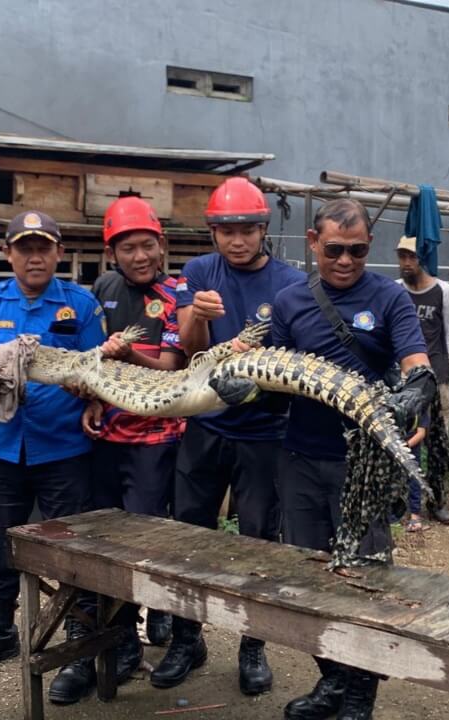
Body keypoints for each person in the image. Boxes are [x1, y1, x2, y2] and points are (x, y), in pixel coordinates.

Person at [272, 198, 433, 720]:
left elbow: (416, 362)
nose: (346, 260)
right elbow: (273, 378)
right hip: (299, 456)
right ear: (314, 244)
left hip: (359, 464)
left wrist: (416, 390)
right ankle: (333, 681)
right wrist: (239, 387)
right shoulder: (291, 300)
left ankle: (361, 695)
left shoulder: (389, 297)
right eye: (335, 249)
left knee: (364, 578)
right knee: (308, 576)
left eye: (358, 250)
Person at [159, 177, 304, 694]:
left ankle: (253, 645)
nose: (237, 240)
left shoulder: (290, 283)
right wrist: (198, 315)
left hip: (265, 431)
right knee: (189, 536)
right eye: (226, 230)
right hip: (206, 425)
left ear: (264, 229)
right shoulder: (199, 272)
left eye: (247, 229)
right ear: (212, 233)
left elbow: (292, 356)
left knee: (259, 542)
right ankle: (185, 639)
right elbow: (189, 348)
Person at [0, 210, 106, 678]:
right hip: (2, 448)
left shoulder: (81, 305)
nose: (34, 257)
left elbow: (97, 371)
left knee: (73, 551)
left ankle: (78, 645)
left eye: (43, 247)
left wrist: (90, 395)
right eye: (24, 247)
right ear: (8, 253)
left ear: (59, 252)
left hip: (64, 448)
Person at [48, 196, 187, 703]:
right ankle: (121, 638)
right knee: (103, 540)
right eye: (127, 247)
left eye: (147, 244)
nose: (139, 255)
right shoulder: (102, 290)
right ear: (112, 254)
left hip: (156, 436)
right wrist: (91, 397)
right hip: (107, 433)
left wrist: (132, 353)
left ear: (162, 245)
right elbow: (93, 360)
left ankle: (152, 622)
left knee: (145, 540)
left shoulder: (176, 295)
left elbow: (174, 366)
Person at [395, 235, 449, 526]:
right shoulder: (396, 291)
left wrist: (440, 375)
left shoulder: (443, 291)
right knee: (402, 440)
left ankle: (437, 501)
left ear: (423, 259)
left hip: (435, 380)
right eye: (402, 257)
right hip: (403, 381)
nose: (406, 263)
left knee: (438, 444)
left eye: (411, 257)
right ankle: (403, 504)